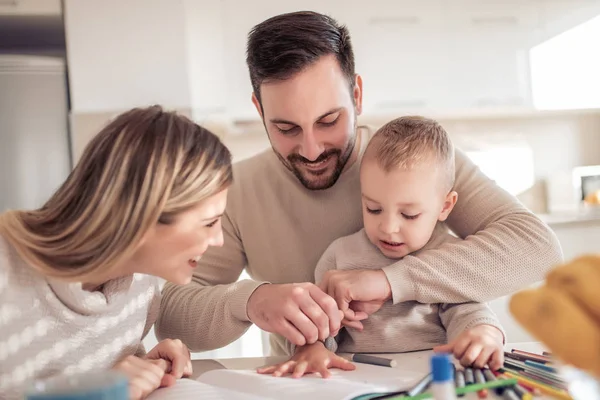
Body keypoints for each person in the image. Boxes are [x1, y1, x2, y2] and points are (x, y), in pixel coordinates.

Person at [156, 11, 562, 357]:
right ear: (259, 109)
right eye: (286, 128)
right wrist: (250, 301)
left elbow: (537, 248)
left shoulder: (414, 162)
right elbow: (172, 315)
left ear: (357, 95)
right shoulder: (238, 189)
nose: (311, 149)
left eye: (329, 121)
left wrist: (390, 281)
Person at [0, 106, 232, 400]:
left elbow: (100, 376)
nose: (219, 240)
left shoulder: (140, 292)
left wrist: (144, 368)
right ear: (145, 216)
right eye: (209, 223)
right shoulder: (6, 268)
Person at [258, 116, 505, 378]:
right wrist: (312, 347)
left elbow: (468, 312)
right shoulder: (340, 257)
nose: (388, 227)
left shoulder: (451, 258)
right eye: (373, 209)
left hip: (429, 378)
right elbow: (318, 320)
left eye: (409, 215)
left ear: (445, 206)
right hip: (354, 379)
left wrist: (484, 334)